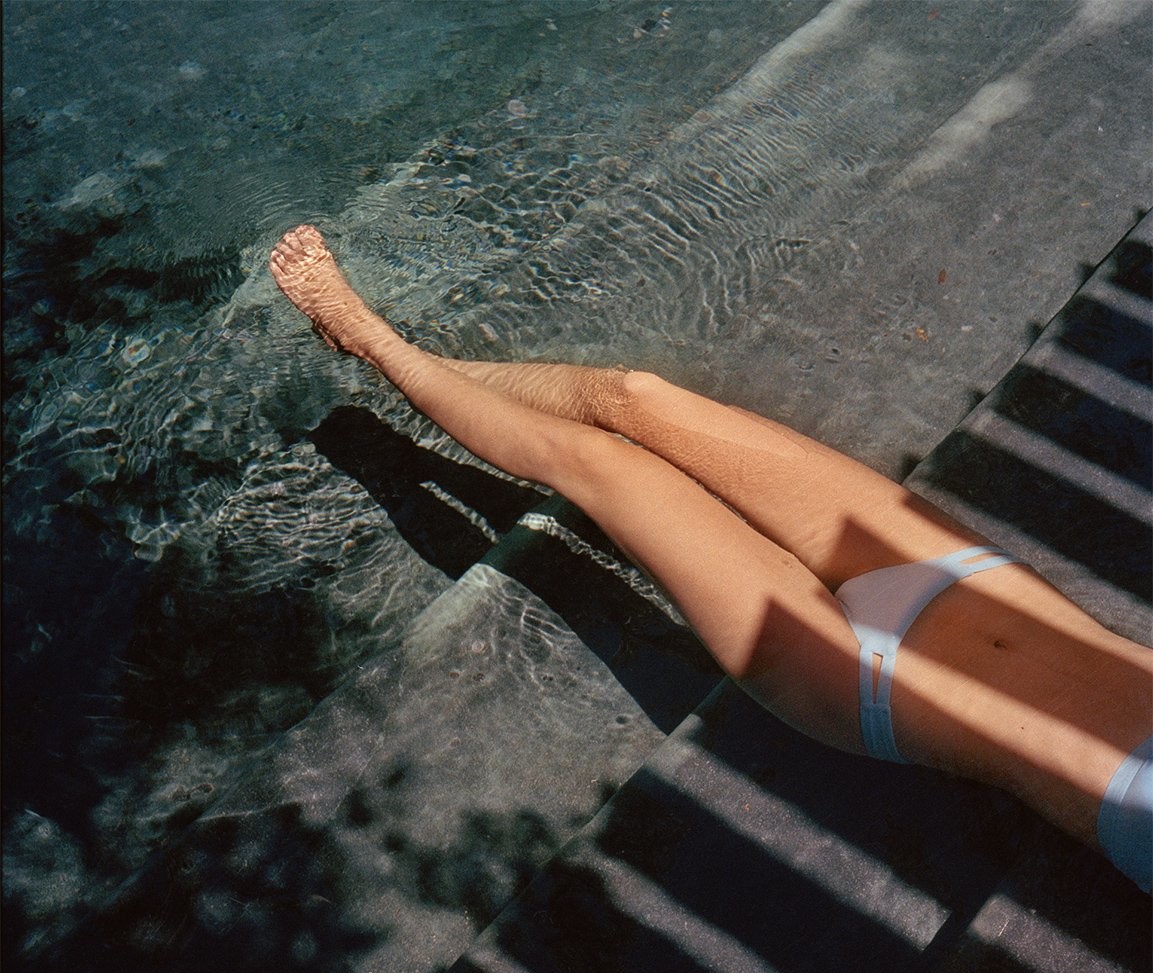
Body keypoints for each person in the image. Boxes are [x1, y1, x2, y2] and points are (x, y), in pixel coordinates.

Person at [270, 225, 1152, 891]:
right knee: (634, 398)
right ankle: (427, 366)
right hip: (976, 581)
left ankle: (367, 337)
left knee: (599, 466)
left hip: (862, 675)